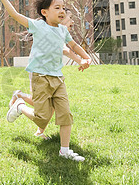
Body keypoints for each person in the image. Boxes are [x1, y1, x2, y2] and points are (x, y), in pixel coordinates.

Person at [0, 0, 91, 162]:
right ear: (45, 12)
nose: (62, 11)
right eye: (57, 8)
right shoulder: (37, 26)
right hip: (40, 77)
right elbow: (15, 15)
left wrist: (85, 58)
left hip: (58, 78)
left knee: (65, 113)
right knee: (42, 119)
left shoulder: (62, 30)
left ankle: (65, 150)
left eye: (62, 7)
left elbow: (73, 46)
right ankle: (20, 106)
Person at [9, 9, 89, 140]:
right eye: (70, 18)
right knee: (41, 105)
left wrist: (84, 59)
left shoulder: (60, 32)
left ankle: (39, 132)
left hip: (52, 75)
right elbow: (67, 50)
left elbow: (70, 47)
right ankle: (19, 97)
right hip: (39, 73)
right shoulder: (51, 31)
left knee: (50, 106)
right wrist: (81, 60)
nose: (72, 21)